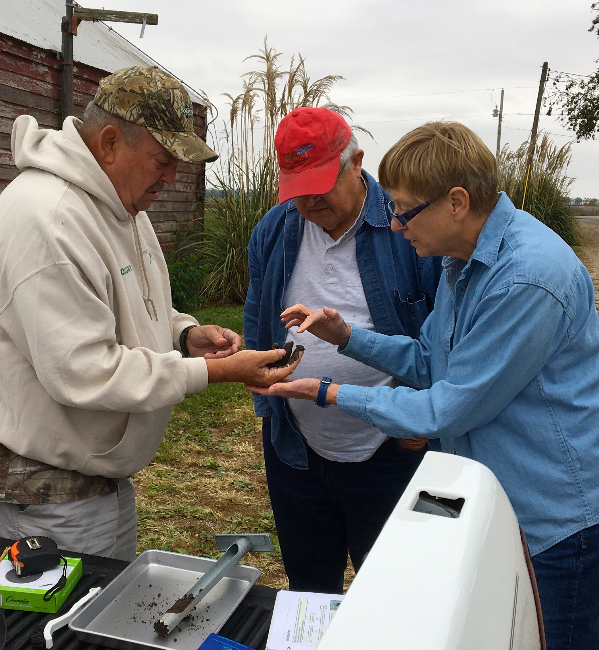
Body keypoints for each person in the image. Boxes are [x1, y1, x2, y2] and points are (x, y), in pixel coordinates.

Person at [253, 121, 599, 650]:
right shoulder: (463, 265)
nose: (392, 225)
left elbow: (448, 408)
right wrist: (348, 338)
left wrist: (329, 393)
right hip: (500, 507)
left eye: (404, 210)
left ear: (456, 202)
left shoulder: (527, 277)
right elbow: (429, 359)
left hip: (551, 523)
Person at [0, 66, 301, 562]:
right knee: (58, 631)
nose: (172, 176)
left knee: (100, 615)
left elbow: (129, 301)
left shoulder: (117, 205)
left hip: (88, 477)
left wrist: (185, 335)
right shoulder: (48, 221)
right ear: (110, 142)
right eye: (162, 159)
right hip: (41, 490)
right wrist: (214, 371)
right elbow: (85, 372)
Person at [244, 106, 441, 593]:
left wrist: (422, 424)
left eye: (321, 183)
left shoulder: (410, 230)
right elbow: (257, 315)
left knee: (396, 594)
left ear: (356, 162)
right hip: (297, 452)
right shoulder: (273, 231)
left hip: (393, 450)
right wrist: (267, 401)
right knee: (310, 587)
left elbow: (444, 339)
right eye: (298, 189)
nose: (309, 201)